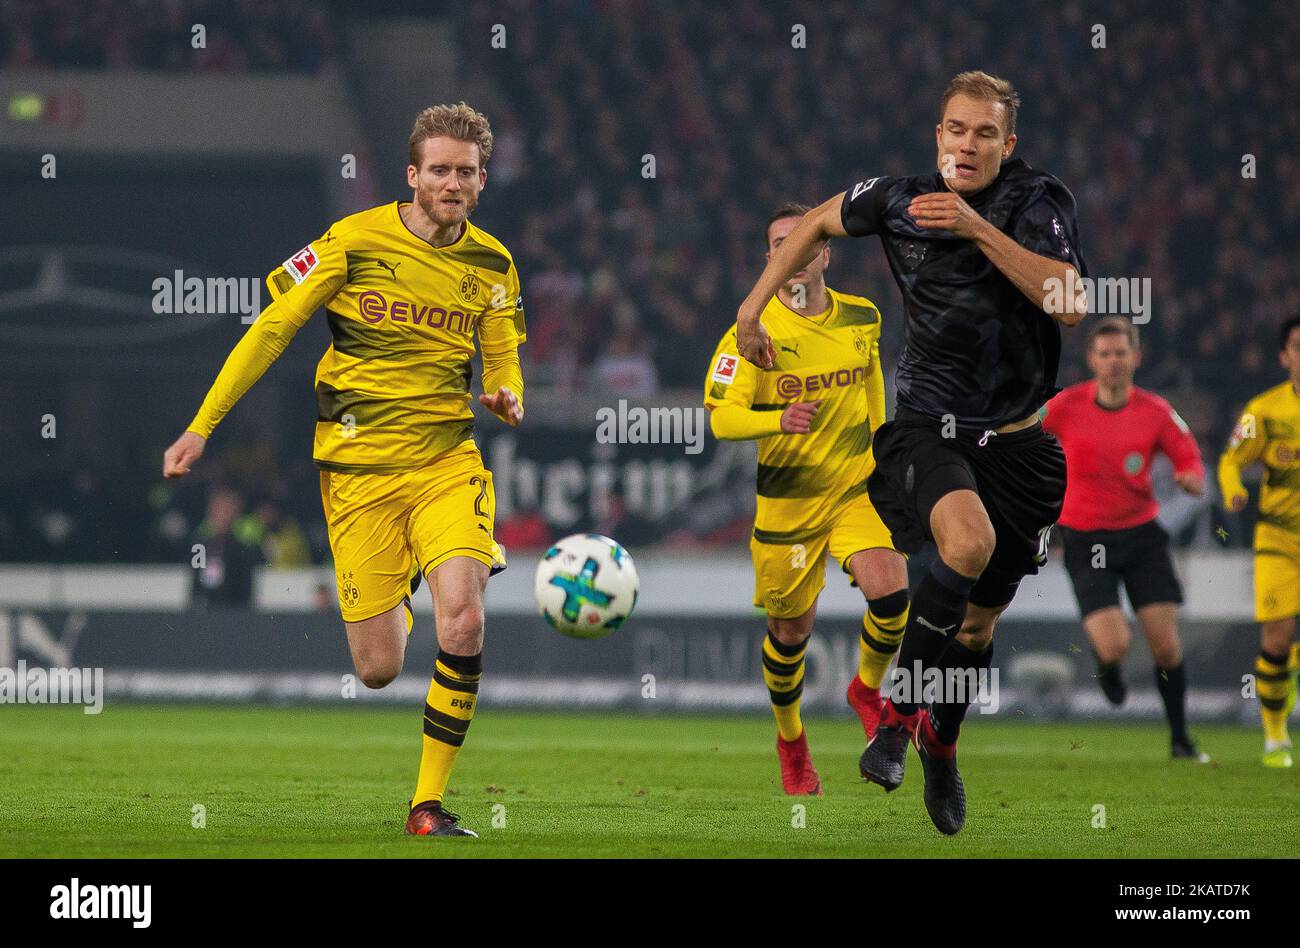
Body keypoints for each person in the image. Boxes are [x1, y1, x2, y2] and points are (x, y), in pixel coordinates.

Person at [734, 71, 1087, 834]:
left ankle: (942, 745)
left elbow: (1071, 302)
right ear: (938, 135)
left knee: (977, 631)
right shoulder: (897, 199)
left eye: (985, 133)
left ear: (1008, 144)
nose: (968, 143)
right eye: (956, 129)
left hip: (1019, 448)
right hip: (930, 430)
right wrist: (750, 306)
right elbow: (816, 222)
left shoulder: (1035, 203)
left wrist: (976, 229)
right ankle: (894, 716)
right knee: (967, 541)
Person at [163, 102, 526, 836]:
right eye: (440, 170)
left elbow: (505, 359)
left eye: (466, 171)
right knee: (378, 669)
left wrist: (508, 396)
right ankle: (423, 568)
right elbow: (270, 331)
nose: (452, 182)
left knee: (463, 618)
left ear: (483, 179)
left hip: (445, 460)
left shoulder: (493, 265)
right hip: (356, 472)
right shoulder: (352, 241)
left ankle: (426, 806)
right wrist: (203, 427)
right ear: (412, 176)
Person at [705, 202, 909, 795]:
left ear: (824, 253)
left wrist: (883, 443)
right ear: (770, 259)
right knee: (791, 635)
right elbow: (720, 420)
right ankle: (792, 740)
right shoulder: (752, 331)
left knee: (892, 595)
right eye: (776, 244)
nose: (788, 251)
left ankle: (866, 689)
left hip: (855, 491)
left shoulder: (862, 317)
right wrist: (776, 417)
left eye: (800, 241)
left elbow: (874, 381)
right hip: (788, 506)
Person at [1042, 316, 1208, 761]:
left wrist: (1189, 475)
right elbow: (1024, 433)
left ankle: (1180, 739)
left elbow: (1189, 457)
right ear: (1091, 360)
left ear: (1136, 357)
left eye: (1121, 353)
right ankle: (1108, 664)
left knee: (1165, 645)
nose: (1114, 361)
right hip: (1085, 538)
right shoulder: (1065, 406)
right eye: (1105, 353)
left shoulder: (1156, 411)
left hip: (1141, 537)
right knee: (1114, 642)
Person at [1217, 313, 1300, 768]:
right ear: (1285, 355)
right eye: (1298, 347)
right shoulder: (1264, 410)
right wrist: (1233, 488)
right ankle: (1275, 736)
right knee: (1276, 637)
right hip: (1278, 537)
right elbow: (1231, 460)